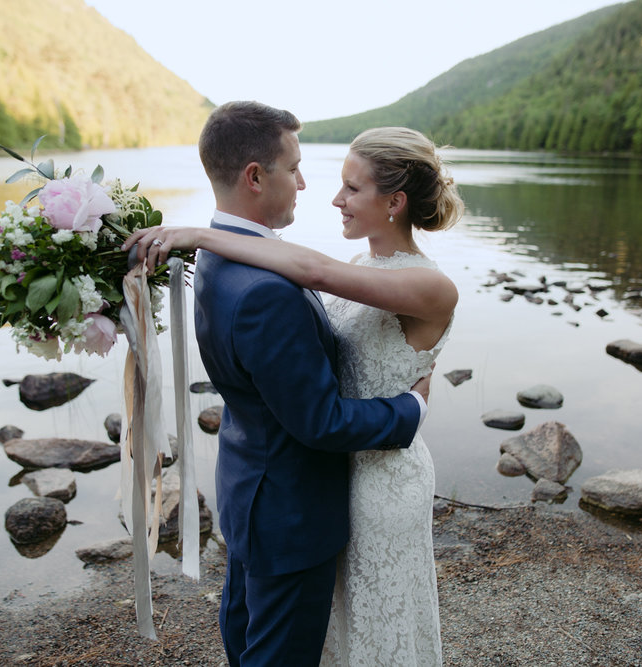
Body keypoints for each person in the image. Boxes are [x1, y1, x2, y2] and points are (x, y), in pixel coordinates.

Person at [130, 121, 463, 666]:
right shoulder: (357, 266)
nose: (333, 197)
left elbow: (310, 270)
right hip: (325, 479)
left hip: (380, 480)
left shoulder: (430, 285)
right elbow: (304, 272)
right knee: (326, 633)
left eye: (352, 189)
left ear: (395, 202)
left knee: (379, 624)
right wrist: (208, 238)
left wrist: (205, 235)